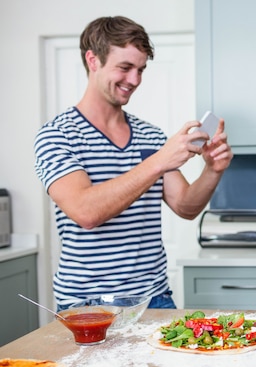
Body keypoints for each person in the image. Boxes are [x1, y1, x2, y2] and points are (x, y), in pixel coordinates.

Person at [34, 16, 233, 311]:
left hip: (154, 299)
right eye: (125, 68)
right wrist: (158, 161)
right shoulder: (57, 135)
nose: (135, 80)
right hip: (88, 307)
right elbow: (86, 212)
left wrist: (212, 170)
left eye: (140, 70)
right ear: (93, 60)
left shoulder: (149, 135)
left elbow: (186, 207)